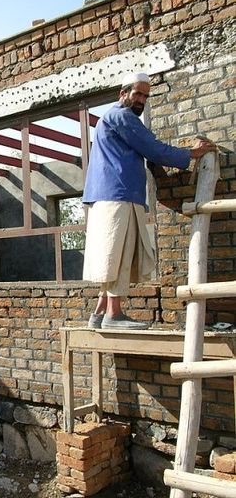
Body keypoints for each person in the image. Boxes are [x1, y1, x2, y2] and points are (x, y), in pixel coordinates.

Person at [82, 72, 217, 330]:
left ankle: (99, 313)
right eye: (137, 94)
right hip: (118, 194)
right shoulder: (122, 116)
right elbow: (153, 148)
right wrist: (192, 153)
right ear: (123, 94)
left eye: (145, 95)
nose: (141, 99)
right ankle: (113, 315)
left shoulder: (110, 118)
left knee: (112, 255)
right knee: (119, 255)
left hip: (112, 195)